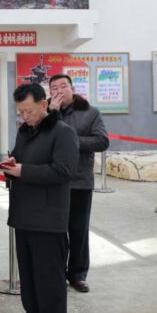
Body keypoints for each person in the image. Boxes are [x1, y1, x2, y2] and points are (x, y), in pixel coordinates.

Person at [0, 83, 78, 313]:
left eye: (29, 111)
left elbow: (64, 171)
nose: (25, 116)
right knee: (29, 276)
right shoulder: (25, 131)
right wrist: (12, 163)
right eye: (21, 112)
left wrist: (25, 171)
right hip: (23, 214)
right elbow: (20, 159)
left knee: (50, 279)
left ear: (44, 104)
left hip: (48, 218)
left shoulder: (62, 132)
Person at [47, 74, 109, 293]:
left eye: (64, 86)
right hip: (53, 181)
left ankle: (78, 274)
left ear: (72, 89)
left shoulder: (90, 112)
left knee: (78, 230)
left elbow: (102, 141)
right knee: (55, 230)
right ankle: (56, 272)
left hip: (79, 180)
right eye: (54, 87)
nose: (59, 90)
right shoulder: (45, 112)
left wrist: (71, 141)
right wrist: (52, 115)